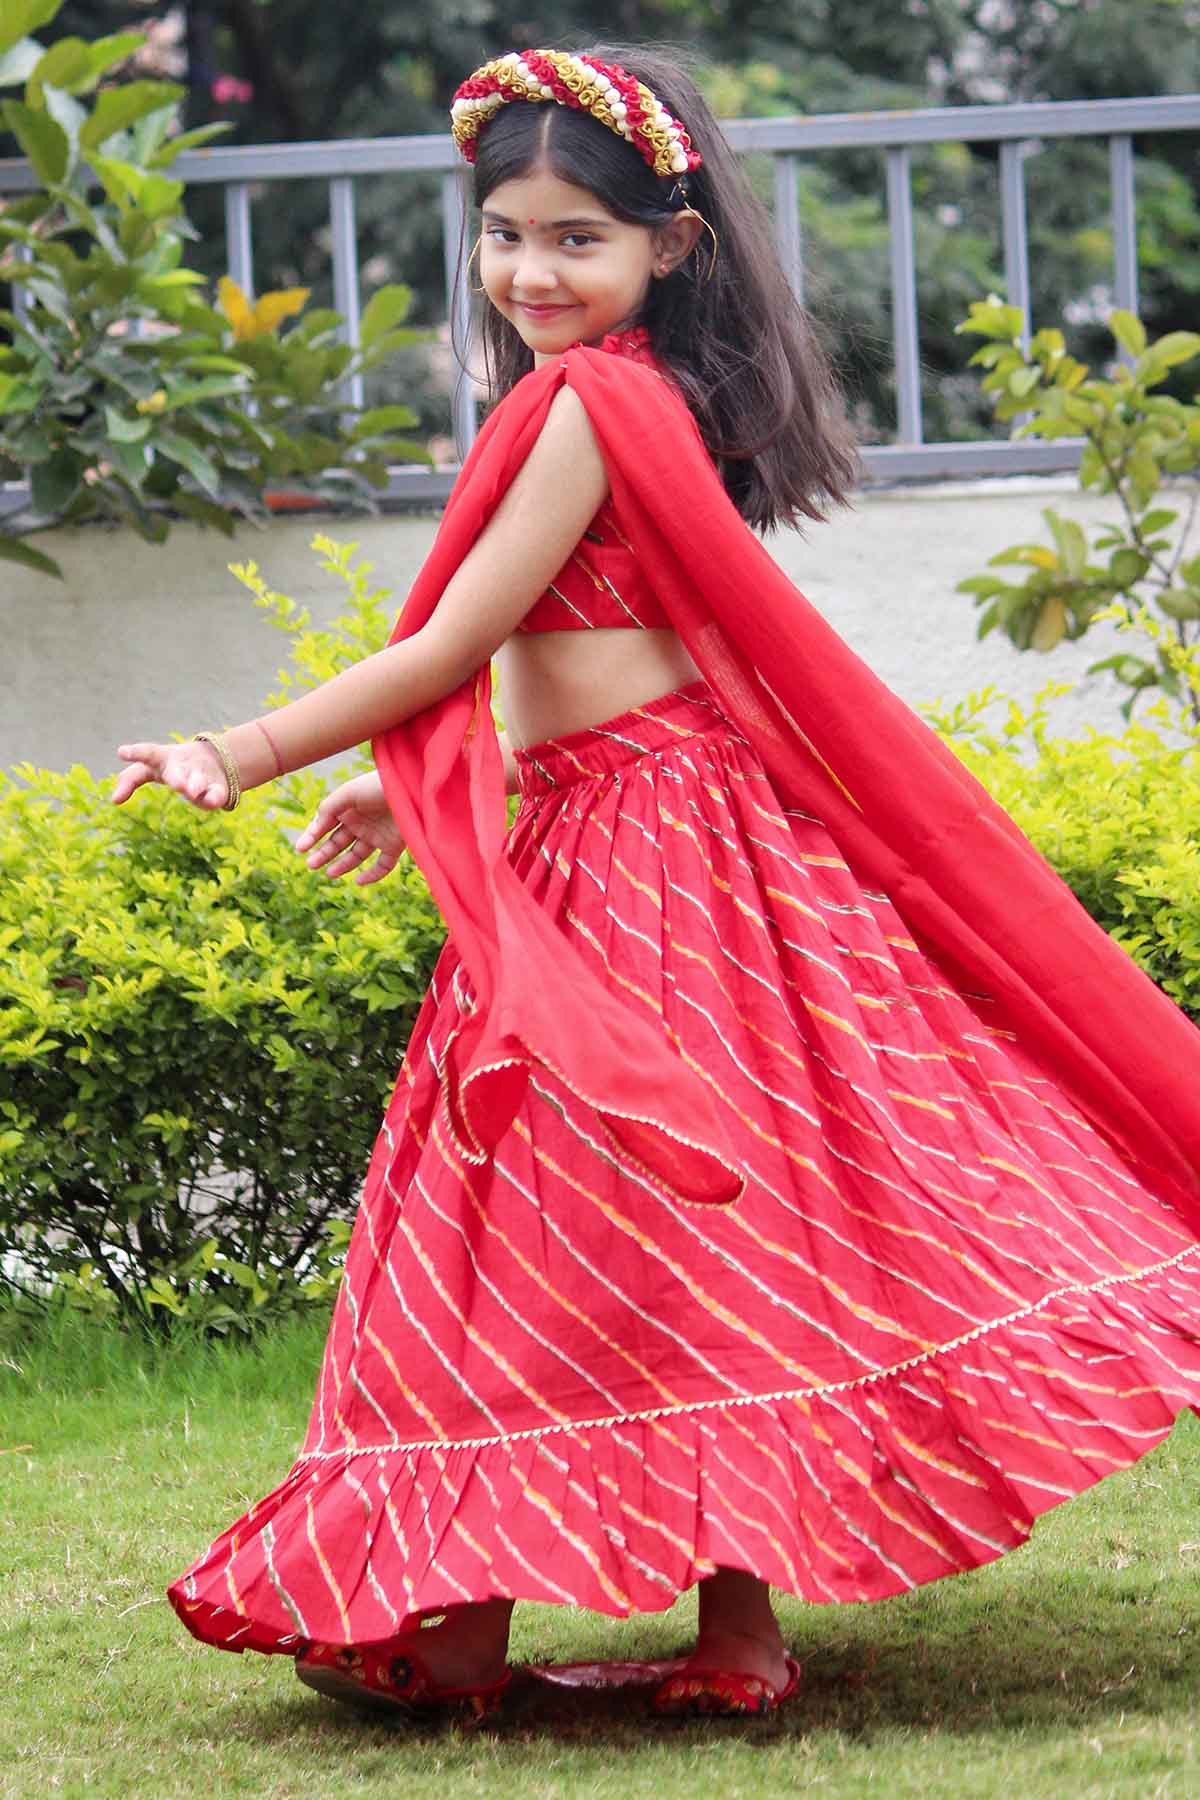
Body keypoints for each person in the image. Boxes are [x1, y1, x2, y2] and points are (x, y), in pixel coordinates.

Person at [114, 45, 1200, 1724]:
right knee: (675, 1215)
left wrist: (237, 748)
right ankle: (646, 1627)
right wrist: (433, 784)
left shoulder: (587, 404)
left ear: (668, 247)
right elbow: (596, 649)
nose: (531, 272)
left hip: (648, 864)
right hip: (639, 829)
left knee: (548, 1212)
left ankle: (504, 1620)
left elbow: (459, 642)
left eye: (578, 240)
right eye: (505, 236)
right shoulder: (630, 395)